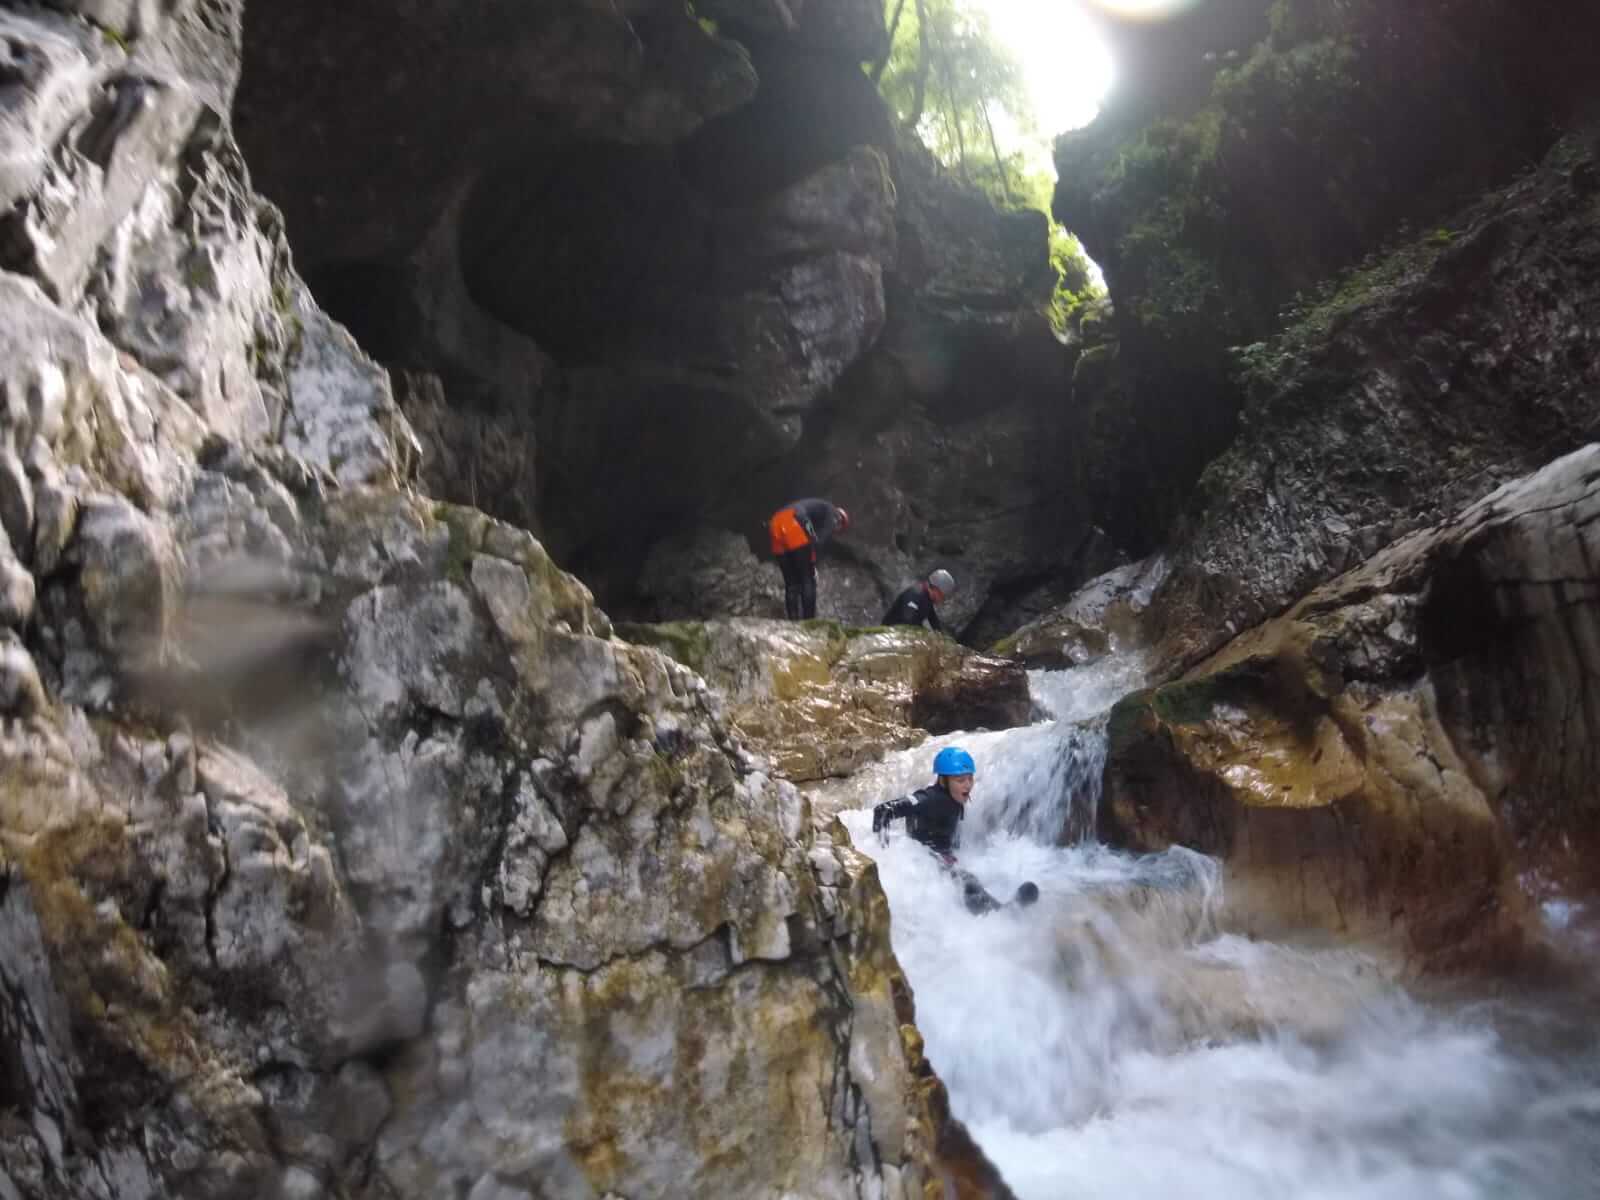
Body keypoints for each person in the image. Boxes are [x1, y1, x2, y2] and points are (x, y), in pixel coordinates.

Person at [872, 745, 1037, 914]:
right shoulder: (929, 798)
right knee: (967, 883)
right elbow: (882, 810)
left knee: (969, 880)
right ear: (943, 781)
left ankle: (997, 913)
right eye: (960, 780)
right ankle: (1001, 915)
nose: (967, 785)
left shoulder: (954, 798)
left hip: (939, 860)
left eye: (970, 778)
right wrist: (883, 854)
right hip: (923, 863)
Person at [768, 498, 850, 620]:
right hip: (794, 521)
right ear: (841, 521)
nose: (835, 531)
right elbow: (820, 540)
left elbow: (809, 534)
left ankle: (792, 621)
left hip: (775, 523)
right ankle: (809, 622)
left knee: (791, 584)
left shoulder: (819, 508)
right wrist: (812, 565)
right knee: (808, 579)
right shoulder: (834, 515)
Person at [882, 568, 955, 631]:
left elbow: (933, 620)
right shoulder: (915, 594)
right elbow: (908, 621)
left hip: (903, 633)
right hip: (889, 632)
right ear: (936, 589)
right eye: (942, 596)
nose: (942, 600)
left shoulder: (928, 598)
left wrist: (941, 636)